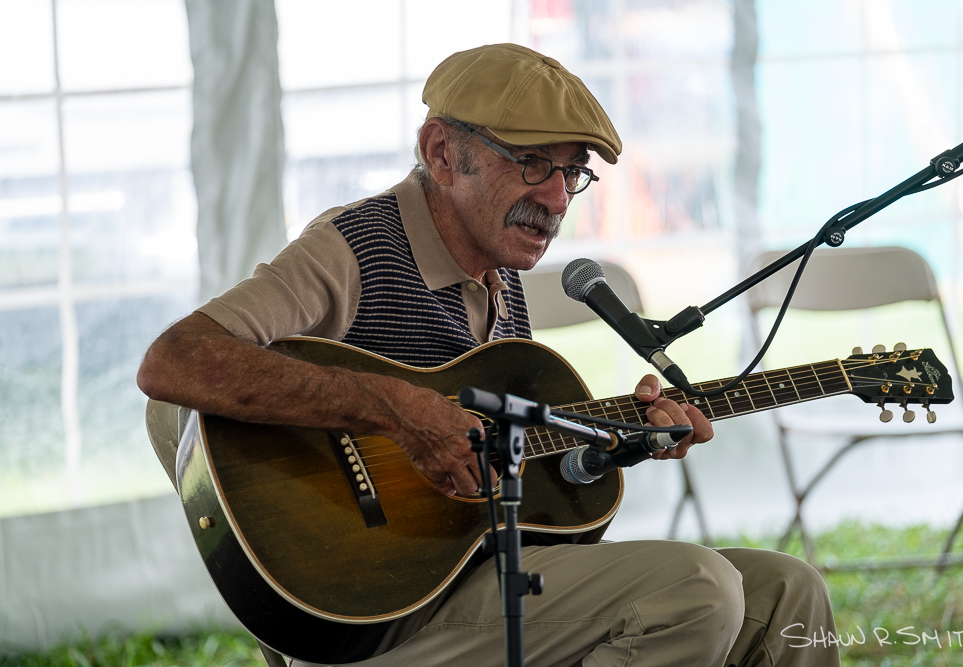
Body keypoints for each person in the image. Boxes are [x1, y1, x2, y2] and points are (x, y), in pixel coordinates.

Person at [138, 43, 840, 667]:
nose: (558, 197)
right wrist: (400, 411)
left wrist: (613, 442)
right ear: (443, 152)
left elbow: (517, 482)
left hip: (477, 577)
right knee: (696, 590)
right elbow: (174, 364)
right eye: (534, 163)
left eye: (573, 173)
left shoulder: (501, 284)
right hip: (376, 617)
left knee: (788, 591)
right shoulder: (354, 249)